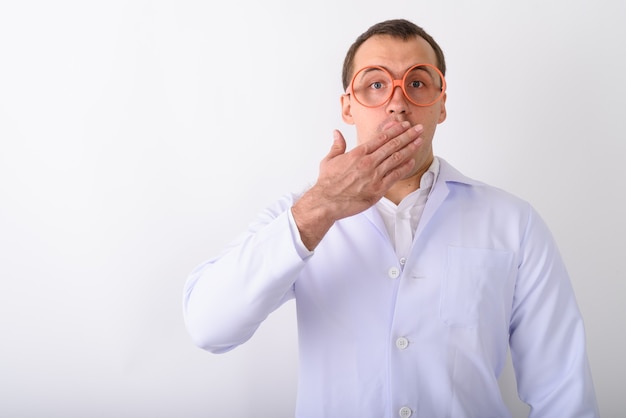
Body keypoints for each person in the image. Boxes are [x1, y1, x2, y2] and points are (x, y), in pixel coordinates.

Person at [183, 19, 599, 417]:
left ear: (441, 104)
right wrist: (321, 206)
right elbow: (210, 326)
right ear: (348, 106)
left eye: (417, 84)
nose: (398, 103)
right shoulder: (299, 214)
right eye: (376, 85)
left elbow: (562, 391)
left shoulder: (514, 223)